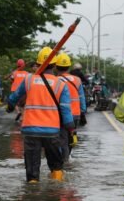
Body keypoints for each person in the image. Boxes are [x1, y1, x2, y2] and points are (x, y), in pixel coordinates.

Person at [6, 47, 74, 183]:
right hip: (52, 132)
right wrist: (70, 129)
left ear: (38, 63)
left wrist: (10, 106)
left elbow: (14, 97)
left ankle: (32, 194)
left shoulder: (29, 80)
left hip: (30, 130)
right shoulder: (60, 84)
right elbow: (66, 111)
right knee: (56, 166)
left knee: (32, 171)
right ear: (54, 65)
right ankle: (57, 191)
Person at [55, 53, 86, 160]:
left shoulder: (55, 80)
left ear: (56, 66)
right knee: (70, 138)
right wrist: (83, 111)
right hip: (75, 114)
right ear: (68, 67)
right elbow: (82, 97)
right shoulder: (77, 80)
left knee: (62, 139)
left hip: (61, 114)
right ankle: (67, 159)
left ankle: (64, 162)